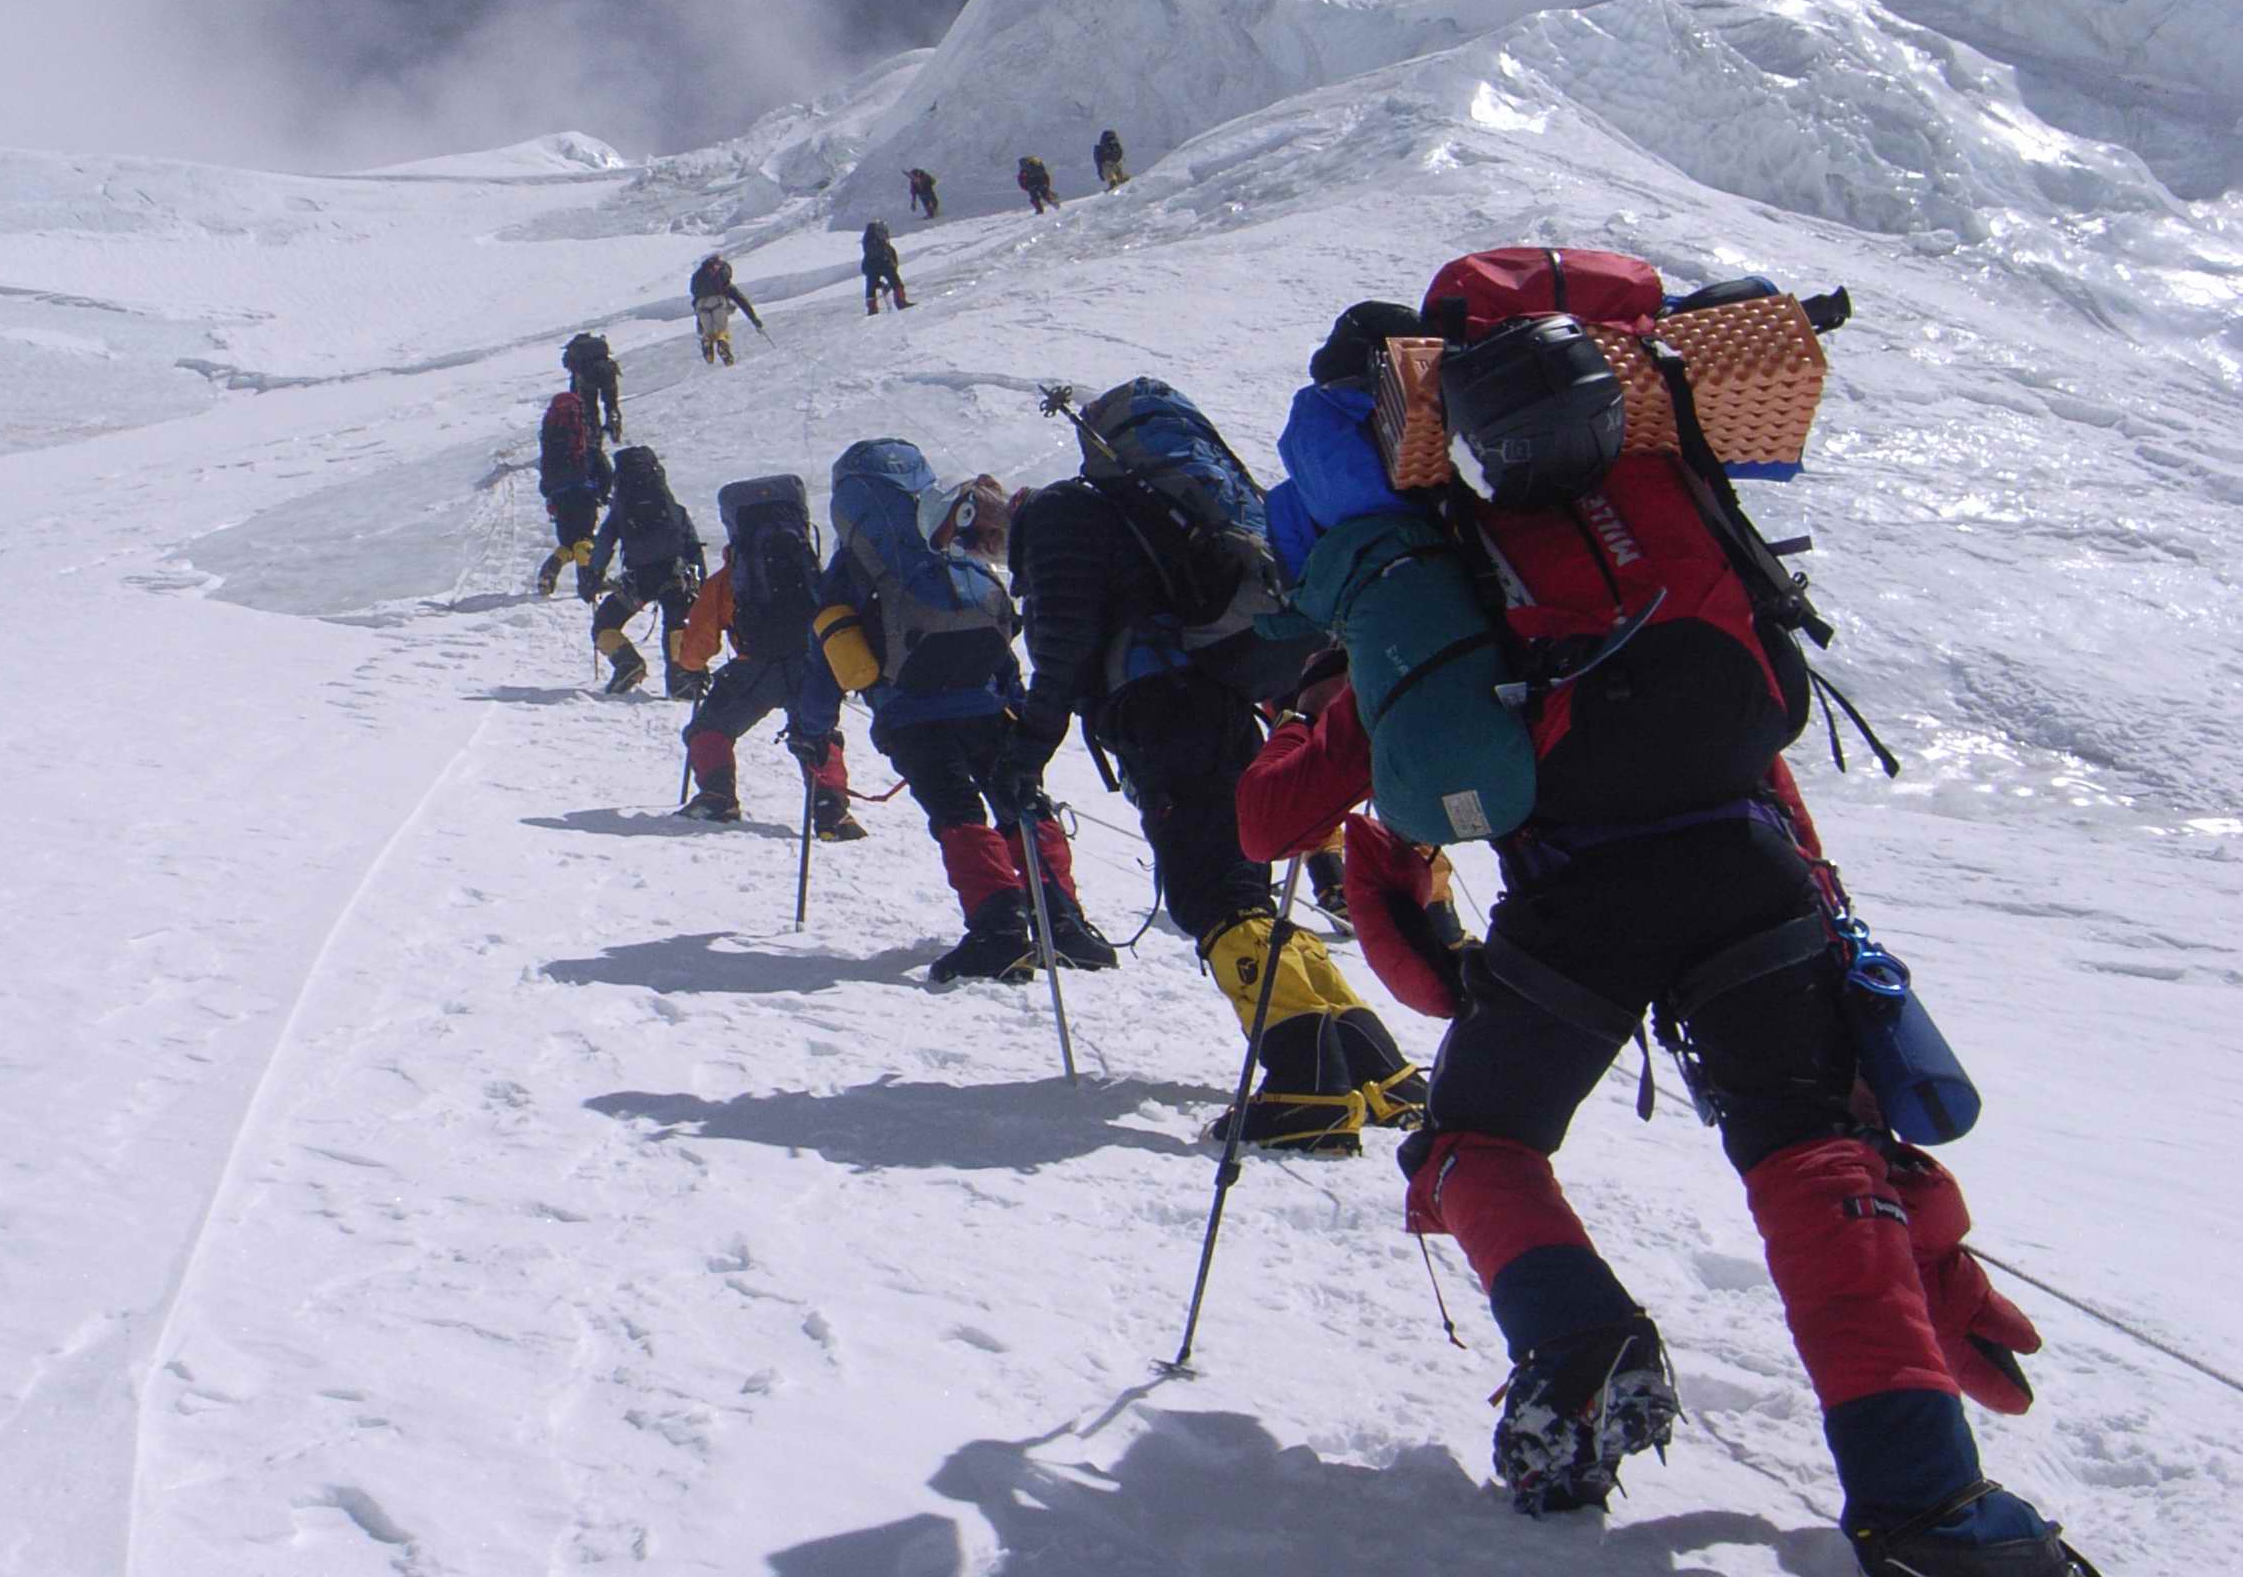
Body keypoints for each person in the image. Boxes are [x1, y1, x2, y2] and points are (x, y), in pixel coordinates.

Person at [1263, 255, 2091, 1574]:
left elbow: (1290, 814)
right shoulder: (1679, 493)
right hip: (1754, 874)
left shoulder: (1436, 569)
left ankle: (1574, 1333)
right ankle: (1927, 1507)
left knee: (1478, 1141)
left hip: (1574, 908)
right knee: (1818, 1163)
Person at [1005, 378, 1419, 1156]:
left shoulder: (1073, 511)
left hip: (1162, 713)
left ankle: (1307, 1086)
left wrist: (1030, 743)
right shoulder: (1188, 511)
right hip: (1235, 702)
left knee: (1216, 901)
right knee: (1242, 892)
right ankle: (1377, 1069)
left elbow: (1060, 643)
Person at [812, 438, 1118, 985]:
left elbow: (830, 643)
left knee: (958, 813)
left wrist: (816, 726)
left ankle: (999, 931)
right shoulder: (951, 536)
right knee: (1020, 799)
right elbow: (996, 624)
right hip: (986, 702)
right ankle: (1063, 921)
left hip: (909, 711)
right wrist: (1017, 704)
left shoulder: (857, 555)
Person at [671, 475, 865, 836]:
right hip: (813, 664)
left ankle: (717, 797)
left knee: (709, 728)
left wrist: (690, 667)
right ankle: (831, 809)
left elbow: (699, 646)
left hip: (756, 668)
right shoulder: (809, 568)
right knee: (816, 732)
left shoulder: (729, 579)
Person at [589, 445, 707, 697]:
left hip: (640, 578)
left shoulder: (622, 508)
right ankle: (682, 677)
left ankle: (627, 663)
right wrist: (703, 585)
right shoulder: (670, 504)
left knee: (604, 624)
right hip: (676, 576)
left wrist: (593, 575)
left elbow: (603, 544)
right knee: (676, 622)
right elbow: (692, 545)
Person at [533, 388, 616, 597]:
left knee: (567, 542)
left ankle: (551, 568)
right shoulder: (582, 433)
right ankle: (588, 581)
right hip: (585, 494)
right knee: (585, 539)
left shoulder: (550, 437)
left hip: (559, 496)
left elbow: (546, 471)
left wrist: (550, 494)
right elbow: (602, 466)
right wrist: (604, 492)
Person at [689, 253, 764, 366]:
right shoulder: (723, 281)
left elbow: (695, 300)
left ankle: (707, 340)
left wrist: (699, 326)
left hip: (701, 306)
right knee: (722, 331)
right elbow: (741, 300)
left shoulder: (698, 277)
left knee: (709, 332)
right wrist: (754, 319)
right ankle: (723, 347)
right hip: (718, 302)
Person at [562, 331, 623, 444]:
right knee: (610, 403)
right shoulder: (598, 344)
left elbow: (567, 365)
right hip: (607, 371)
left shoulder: (574, 349)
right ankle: (614, 424)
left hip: (587, 377)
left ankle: (595, 433)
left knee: (590, 408)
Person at [860, 222, 911, 315]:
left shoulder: (880, 245)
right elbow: (888, 257)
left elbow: (892, 258)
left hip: (876, 267)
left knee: (872, 286)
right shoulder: (875, 245)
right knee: (875, 285)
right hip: (877, 266)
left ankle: (872, 308)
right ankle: (899, 301)